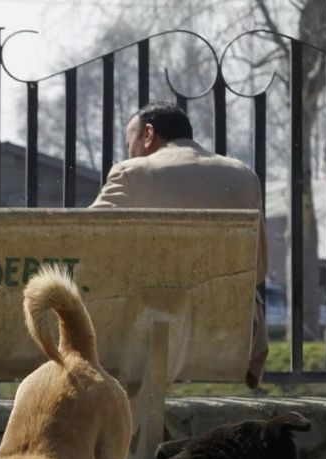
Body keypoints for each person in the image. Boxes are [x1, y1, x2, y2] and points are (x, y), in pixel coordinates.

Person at [91, 101, 269, 389]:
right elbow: (258, 269)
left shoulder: (131, 174)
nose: (129, 151)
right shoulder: (244, 176)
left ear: (148, 134)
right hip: (228, 334)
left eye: (129, 142)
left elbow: (88, 248)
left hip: (147, 332)